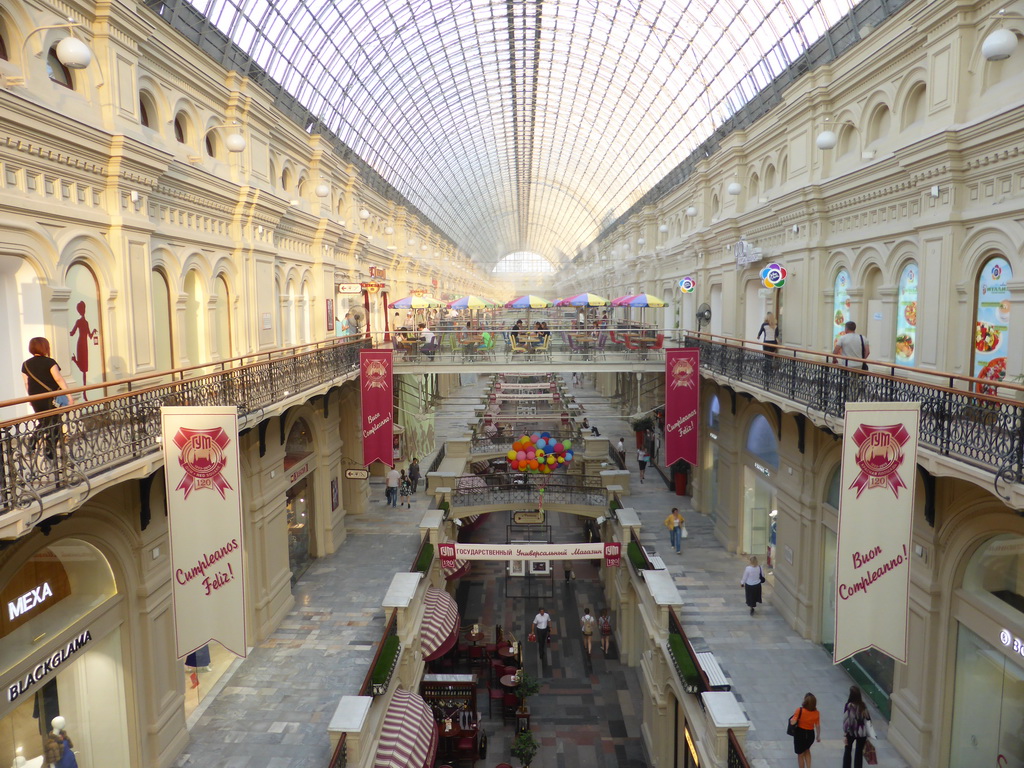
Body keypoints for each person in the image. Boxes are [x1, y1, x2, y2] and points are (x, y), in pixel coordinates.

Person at [22, 337, 74, 460]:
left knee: (43, 422)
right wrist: (69, 396)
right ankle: (49, 452)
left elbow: (26, 383)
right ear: (45, 347)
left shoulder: (25, 364)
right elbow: (58, 379)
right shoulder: (50, 362)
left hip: (36, 398)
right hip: (50, 398)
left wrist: (30, 398)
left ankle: (32, 444)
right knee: (55, 423)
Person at [69, 300, 97, 392]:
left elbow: (88, 335)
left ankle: (84, 390)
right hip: (82, 344)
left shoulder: (83, 322)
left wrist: (93, 332)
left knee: (84, 368)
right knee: (84, 368)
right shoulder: (83, 322)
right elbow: (73, 333)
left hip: (83, 344)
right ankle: (84, 391)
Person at [842, 685, 871, 768]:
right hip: (862, 732)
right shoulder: (863, 706)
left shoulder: (849, 706)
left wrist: (845, 733)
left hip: (851, 731)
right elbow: (868, 719)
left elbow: (847, 721)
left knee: (848, 750)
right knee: (859, 753)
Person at [790, 692, 821, 768]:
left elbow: (793, 722)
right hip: (810, 735)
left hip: (800, 734)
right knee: (807, 749)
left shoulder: (799, 710)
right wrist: (818, 736)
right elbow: (817, 726)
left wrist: (793, 720)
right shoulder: (816, 713)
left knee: (800, 754)